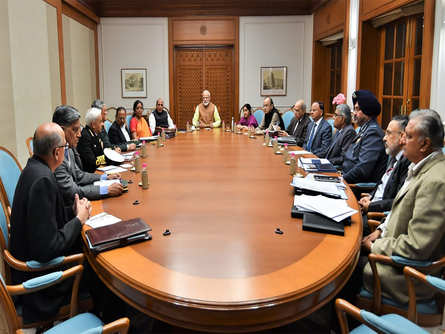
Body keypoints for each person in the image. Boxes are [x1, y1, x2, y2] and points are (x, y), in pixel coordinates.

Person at [361, 109, 445, 305]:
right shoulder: (420, 166)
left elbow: (417, 247)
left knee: (343, 274)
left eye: (408, 136)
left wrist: (375, 245)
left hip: (406, 276)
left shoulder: (436, 182)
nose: (402, 141)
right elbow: (399, 210)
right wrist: (381, 230)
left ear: (424, 144)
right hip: (391, 250)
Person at [9, 122, 91, 323]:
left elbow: (45, 217)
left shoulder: (34, 168)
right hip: (40, 286)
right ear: (56, 153)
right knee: (98, 267)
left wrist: (71, 212)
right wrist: (79, 220)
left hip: (33, 262)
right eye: (65, 147)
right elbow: (48, 248)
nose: (67, 150)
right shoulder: (43, 181)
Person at [53, 105, 123, 205]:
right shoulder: (56, 156)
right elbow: (72, 192)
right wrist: (105, 190)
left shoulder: (68, 148)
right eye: (75, 130)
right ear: (61, 131)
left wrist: (105, 177)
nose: (79, 134)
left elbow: (79, 175)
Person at [358, 115, 410, 215]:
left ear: (402, 136)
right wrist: (370, 197)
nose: (384, 138)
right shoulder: (392, 156)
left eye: (389, 133)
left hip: (377, 216)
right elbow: (382, 185)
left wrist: (371, 205)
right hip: (370, 206)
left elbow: (397, 201)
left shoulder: (407, 163)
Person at [342, 90, 387, 184]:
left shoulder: (373, 133)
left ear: (367, 111)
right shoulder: (364, 129)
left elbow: (362, 170)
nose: (354, 113)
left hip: (356, 187)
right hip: (346, 178)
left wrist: (341, 180)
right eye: (354, 109)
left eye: (358, 109)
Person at [77, 107, 108, 173]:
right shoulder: (85, 137)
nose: (103, 124)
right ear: (93, 124)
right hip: (90, 173)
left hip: (100, 169)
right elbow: (93, 162)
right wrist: (107, 158)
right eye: (100, 122)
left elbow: (101, 155)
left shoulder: (96, 134)